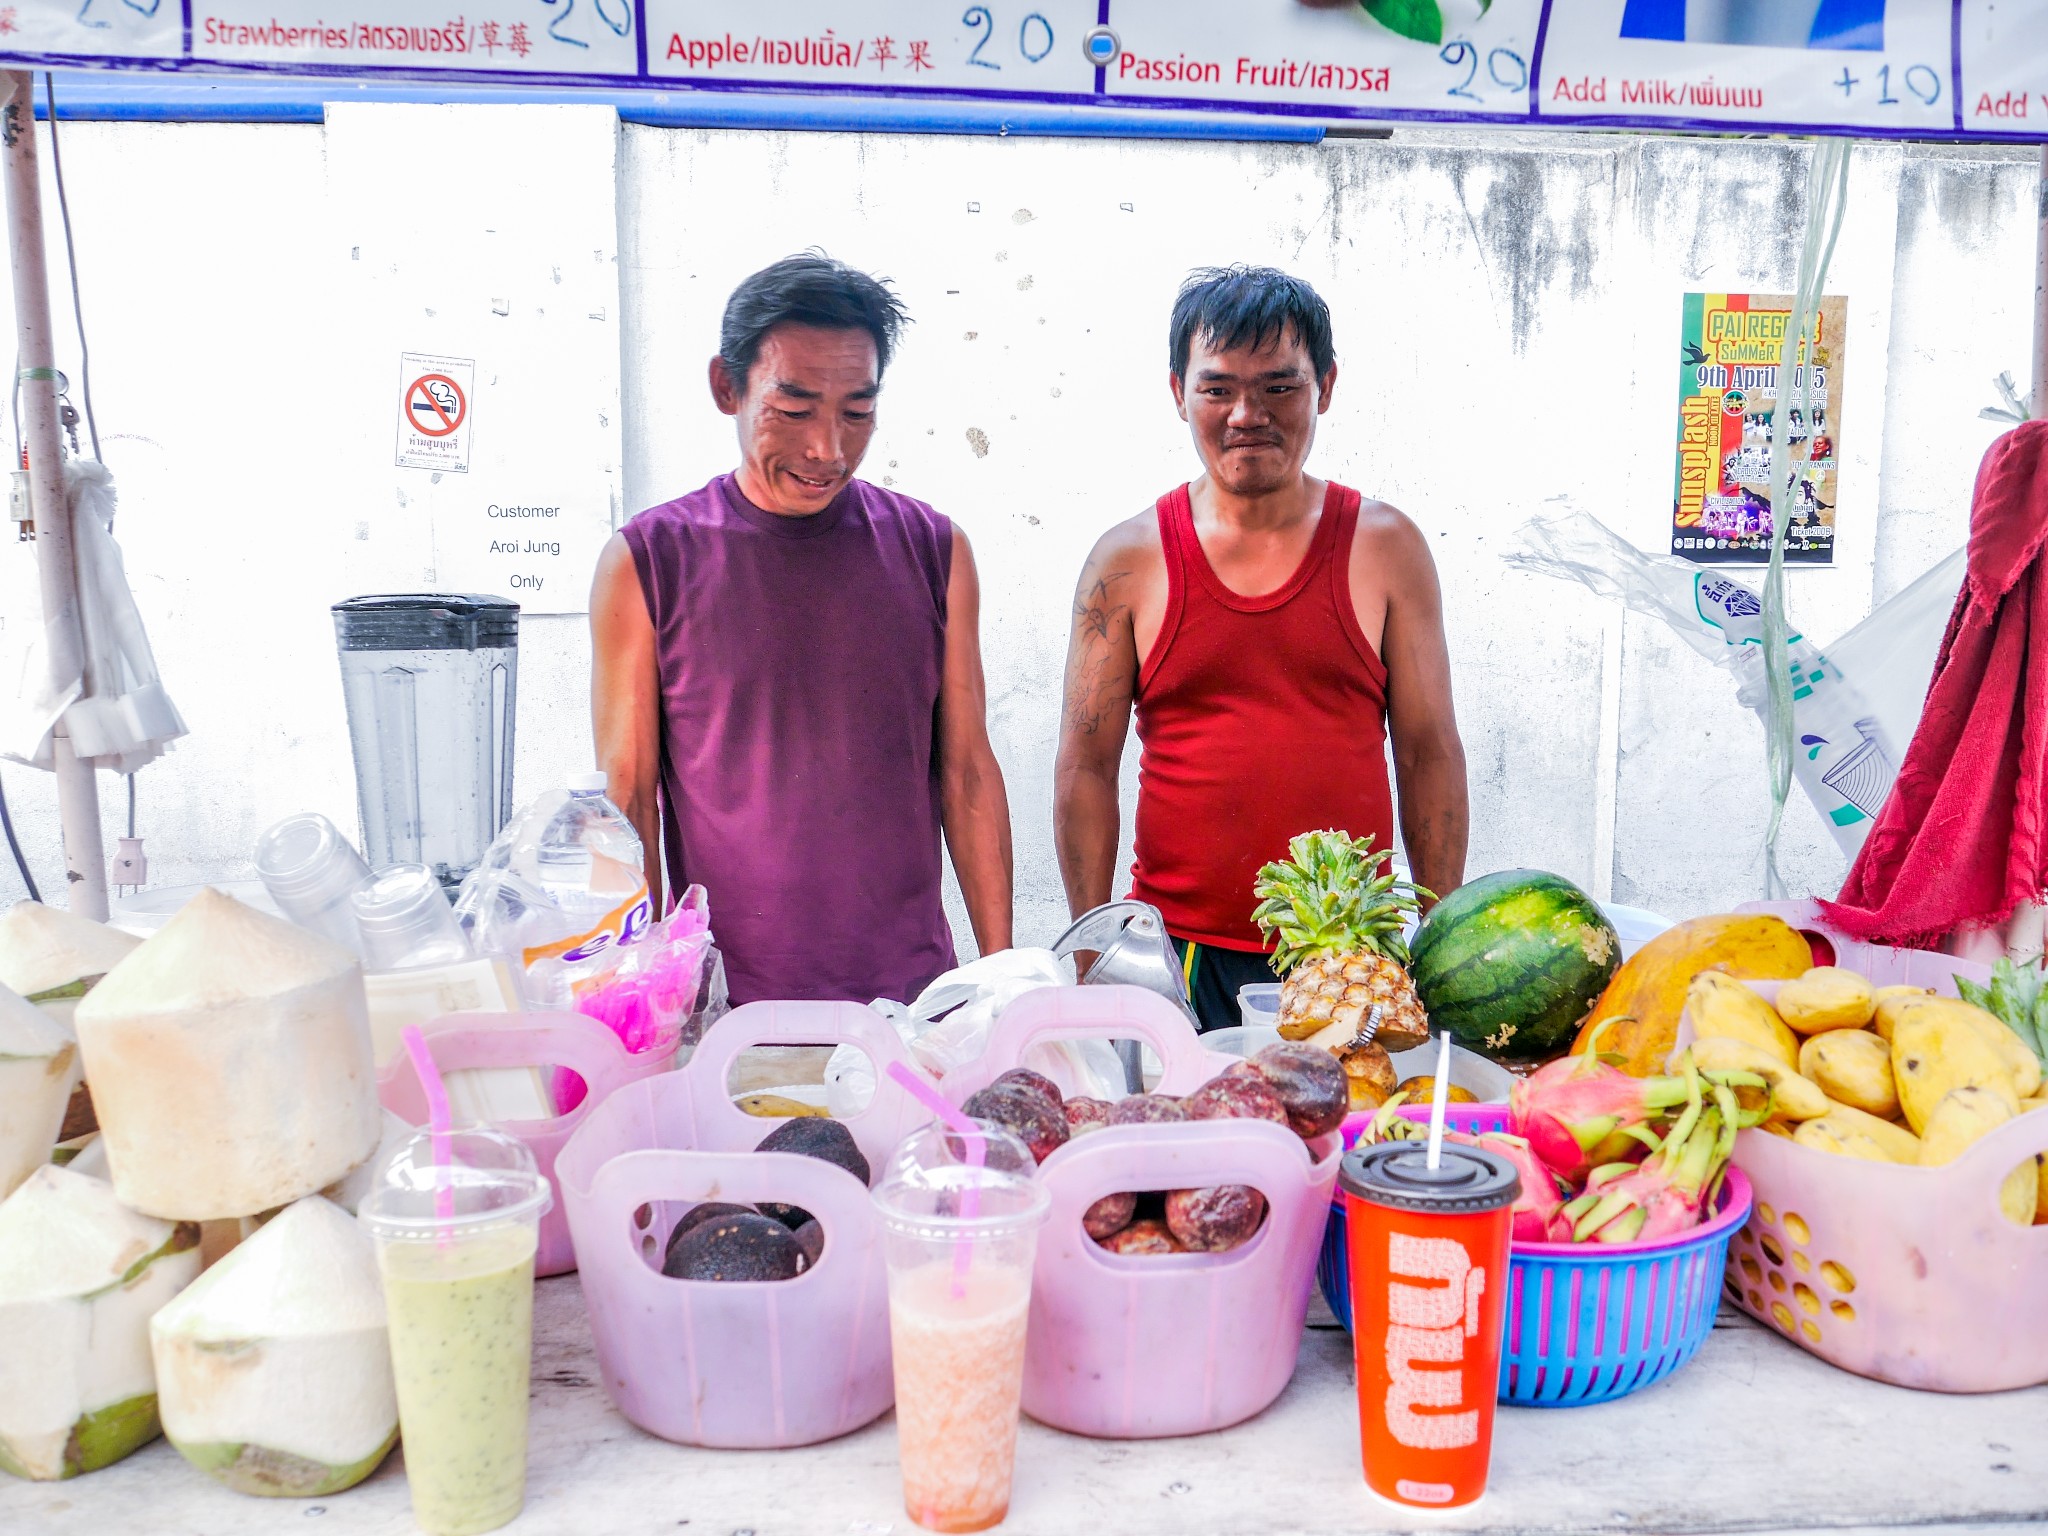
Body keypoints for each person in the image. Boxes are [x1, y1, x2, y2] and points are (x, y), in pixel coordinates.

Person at [590, 253, 1014, 1006]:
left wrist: (1002, 975)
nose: (829, 449)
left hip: (912, 1002)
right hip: (730, 1006)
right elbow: (629, 798)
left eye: (858, 412)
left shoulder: (935, 551)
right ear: (728, 386)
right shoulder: (648, 561)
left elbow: (969, 773)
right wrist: (652, 994)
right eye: (794, 409)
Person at [1053, 266, 1468, 1031]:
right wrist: (1092, 952)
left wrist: (1436, 943)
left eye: (1280, 387)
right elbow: (1085, 765)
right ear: (1178, 391)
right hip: (1178, 955)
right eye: (1218, 390)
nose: (1248, 414)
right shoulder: (1127, 561)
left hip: (1351, 958)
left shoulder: (1387, 547)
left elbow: (1429, 753)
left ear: (1326, 386)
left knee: (1344, 1143)